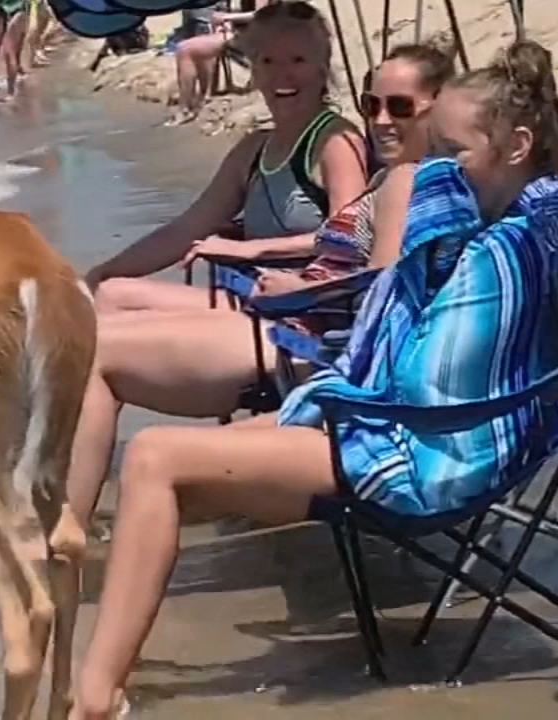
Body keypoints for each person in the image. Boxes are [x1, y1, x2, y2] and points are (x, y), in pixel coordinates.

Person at [67, 39, 558, 719]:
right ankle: (97, 668)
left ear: (515, 146)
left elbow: (418, 382)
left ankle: (93, 695)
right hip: (468, 433)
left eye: (453, 153)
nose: (438, 170)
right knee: (196, 457)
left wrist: (331, 383)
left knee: (156, 459)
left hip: (427, 457)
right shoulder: (546, 213)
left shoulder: (492, 256)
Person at [67, 43, 454, 527]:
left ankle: (65, 531)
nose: (380, 119)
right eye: (371, 104)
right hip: (305, 322)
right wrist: (264, 258)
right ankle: (72, 512)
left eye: (400, 106)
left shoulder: (405, 178)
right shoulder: (400, 176)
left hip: (315, 343)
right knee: (105, 320)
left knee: (94, 352)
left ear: (441, 107)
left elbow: (382, 291)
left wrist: (293, 289)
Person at [83, 0, 369, 314]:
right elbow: (185, 230)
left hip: (305, 311)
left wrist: (248, 250)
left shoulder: (336, 142)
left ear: (322, 66)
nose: (282, 75)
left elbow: (348, 240)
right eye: (267, 61)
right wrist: (100, 272)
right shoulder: (254, 149)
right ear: (254, 71)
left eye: (297, 60)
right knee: (104, 292)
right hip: (251, 300)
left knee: (114, 300)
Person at [165, 0, 263, 126]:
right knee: (195, 47)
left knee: (185, 49)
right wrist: (227, 22)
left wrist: (227, 17)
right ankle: (202, 96)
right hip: (244, 32)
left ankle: (185, 109)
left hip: (257, 35)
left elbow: (262, 14)